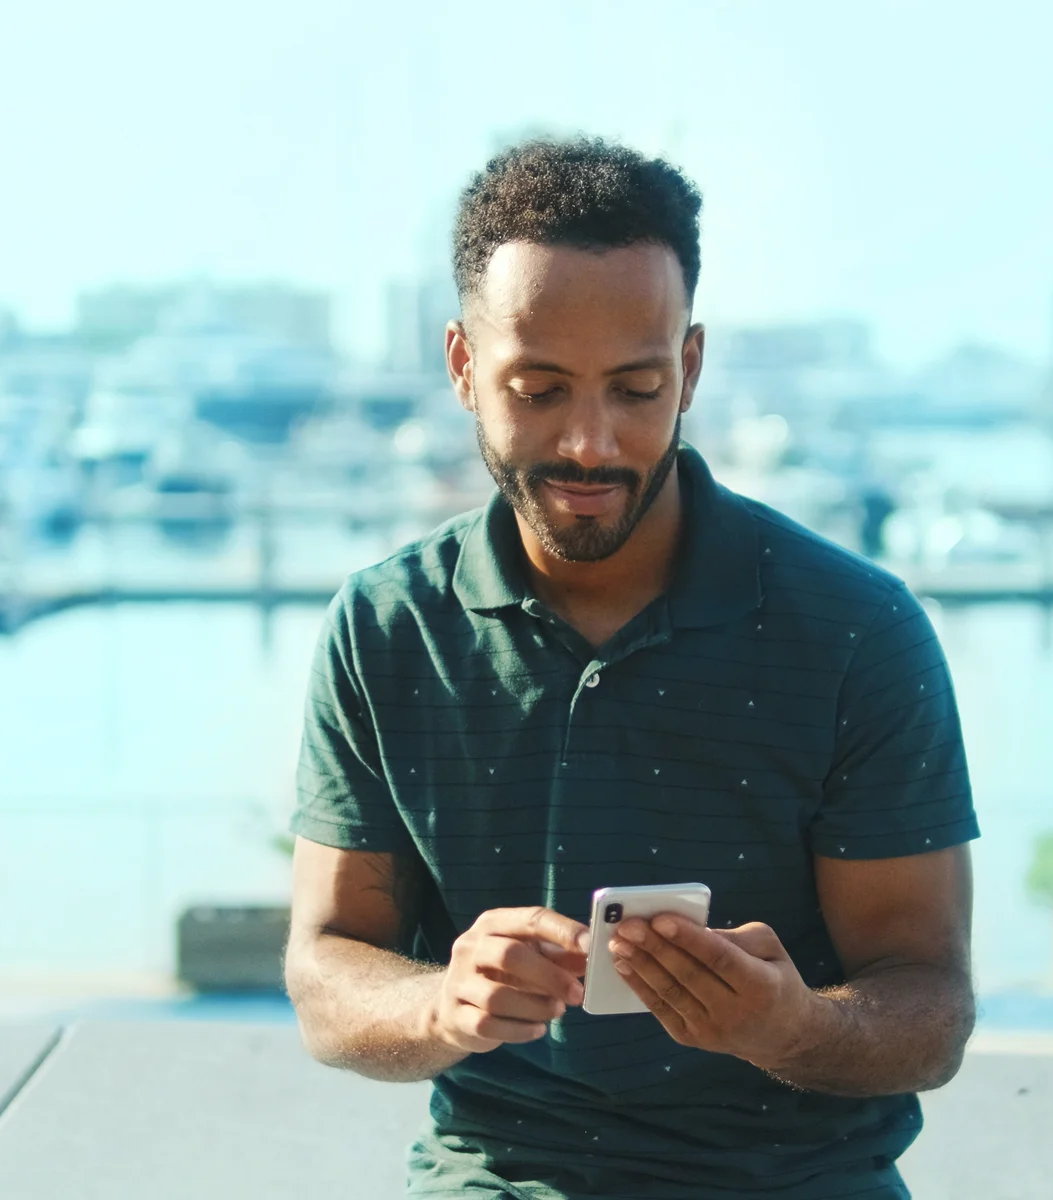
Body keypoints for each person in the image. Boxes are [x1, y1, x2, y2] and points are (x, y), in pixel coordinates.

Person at [284, 137, 978, 1200]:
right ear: (466, 368)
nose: (591, 444)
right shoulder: (388, 629)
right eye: (541, 388)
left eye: (638, 387)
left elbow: (929, 1009)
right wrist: (442, 1003)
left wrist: (788, 1026)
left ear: (690, 370)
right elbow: (326, 976)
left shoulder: (856, 630)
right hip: (499, 1180)